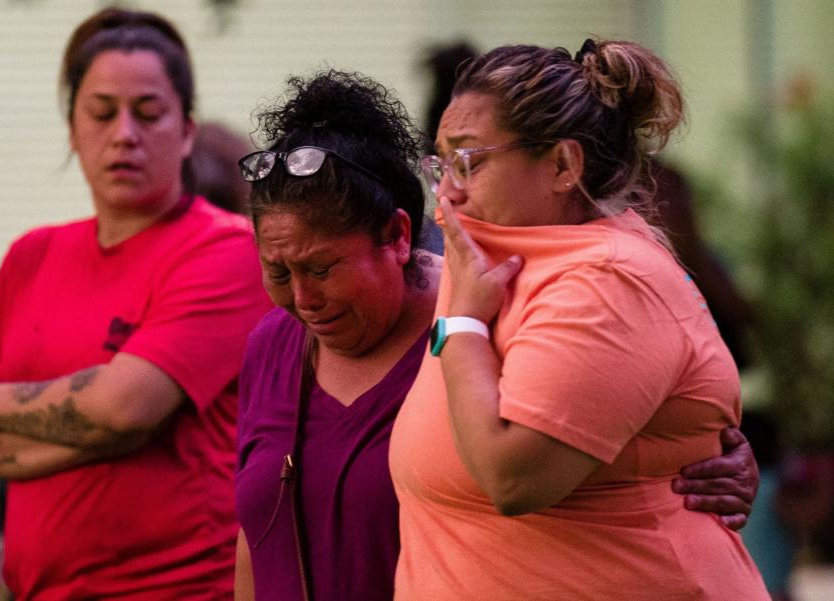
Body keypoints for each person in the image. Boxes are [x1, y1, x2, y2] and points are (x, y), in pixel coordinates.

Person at [233, 70, 760, 601]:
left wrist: (699, 454)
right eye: (278, 272)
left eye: (322, 270)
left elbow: (559, 440)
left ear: (395, 235)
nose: (301, 298)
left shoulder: (495, 313)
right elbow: (256, 534)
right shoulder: (274, 345)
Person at [389, 39, 770, 599]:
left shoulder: (611, 279)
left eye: (469, 160)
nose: (447, 190)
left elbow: (513, 477)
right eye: (441, 163)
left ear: (563, 165)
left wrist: (463, 326)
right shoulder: (492, 251)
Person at [0, 8, 270, 600]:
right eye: (102, 112)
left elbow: (125, 409)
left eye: (148, 113)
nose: (124, 134)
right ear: (72, 128)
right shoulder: (30, 257)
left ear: (186, 130)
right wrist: (100, 428)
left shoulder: (227, 250)